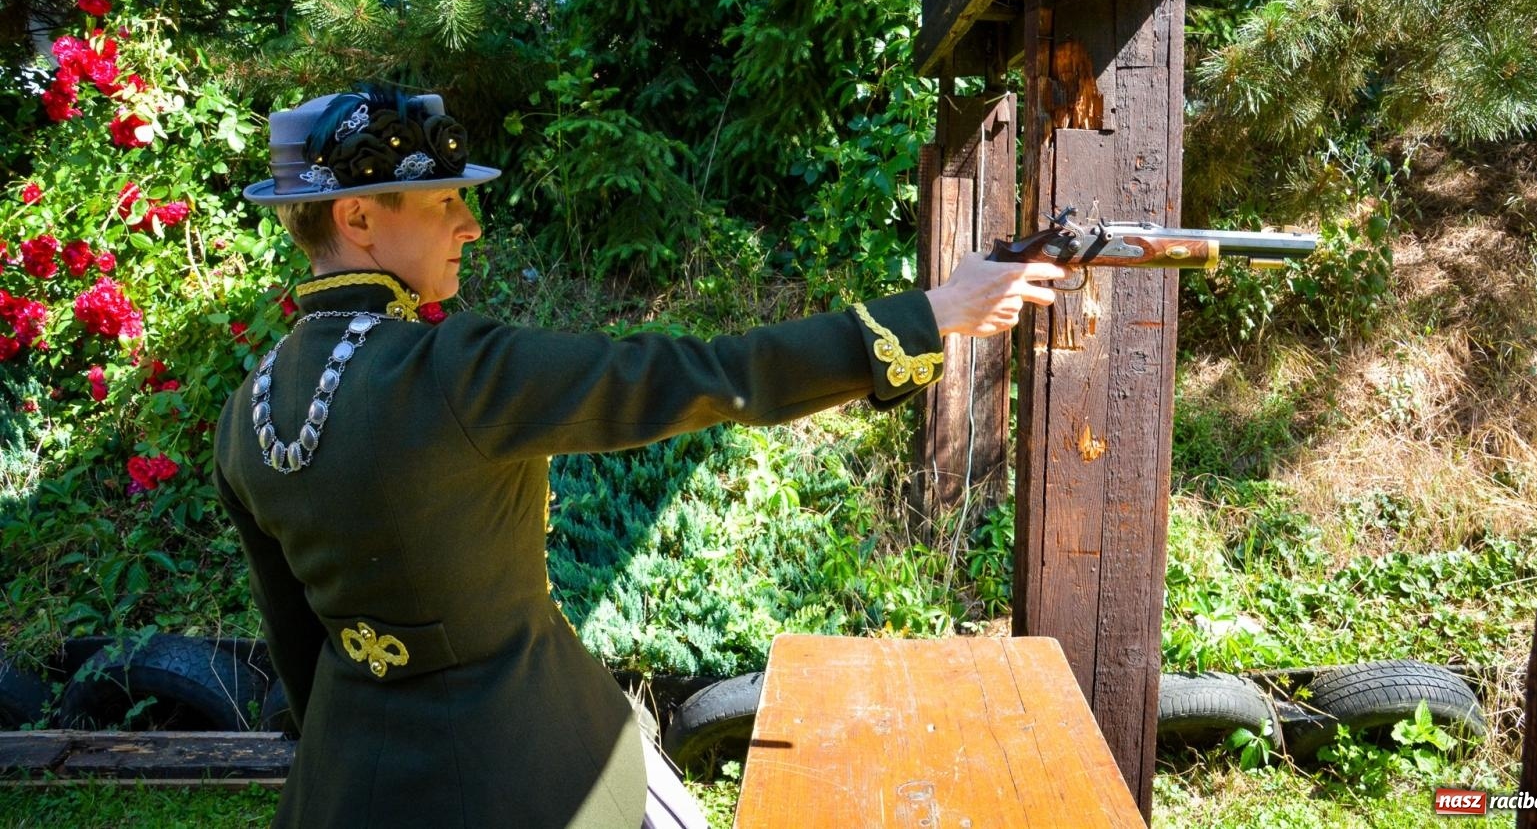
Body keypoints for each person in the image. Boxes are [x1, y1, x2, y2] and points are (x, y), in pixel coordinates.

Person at [214, 87, 1065, 829]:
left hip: (347, 774)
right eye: (440, 202)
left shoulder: (243, 413)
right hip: (530, 754)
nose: (470, 224)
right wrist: (935, 312)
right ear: (357, 217)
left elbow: (298, 645)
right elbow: (701, 373)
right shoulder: (456, 371)